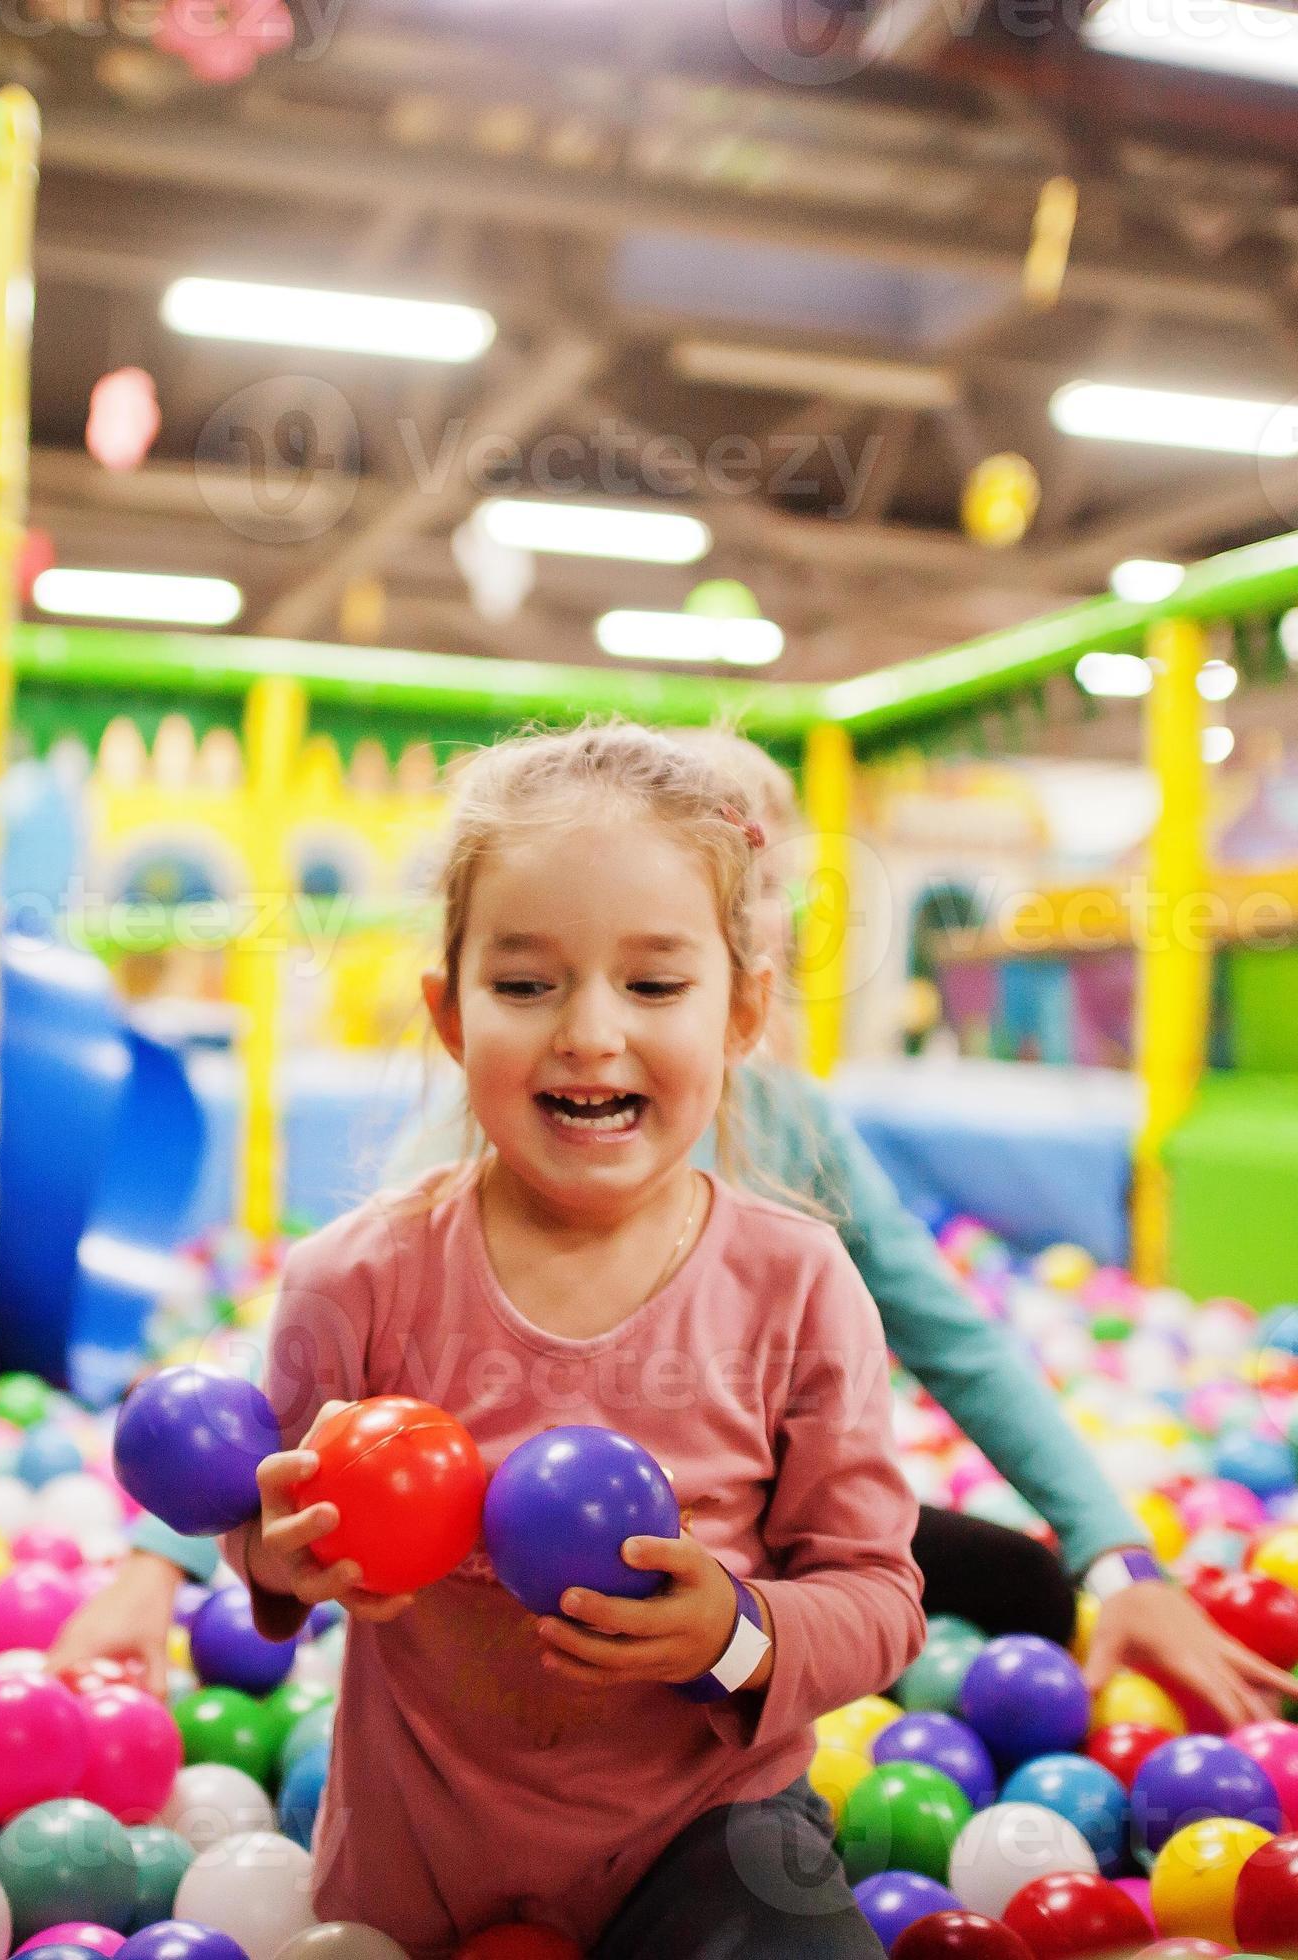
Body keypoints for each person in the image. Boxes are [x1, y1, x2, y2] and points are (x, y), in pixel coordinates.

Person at [60, 728, 1298, 1733]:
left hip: (716, 1540)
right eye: (551, 972)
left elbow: (953, 1337)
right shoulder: (496, 1130)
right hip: (495, 1581)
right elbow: (304, 1370)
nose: (602, 1025)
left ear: (742, 982)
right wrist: (162, 1556)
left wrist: (1120, 1560)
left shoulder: (784, 1124)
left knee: (1019, 1584)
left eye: (663, 972)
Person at [235, 723, 922, 1955]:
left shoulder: (796, 1283)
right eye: (526, 982)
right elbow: (263, 1527)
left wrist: (733, 1630)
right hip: (423, 1862)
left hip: (709, 1833)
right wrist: (281, 1561)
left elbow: (878, 1594)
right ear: (450, 1015)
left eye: (655, 985)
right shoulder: (356, 1279)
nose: (590, 1032)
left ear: (744, 1010)